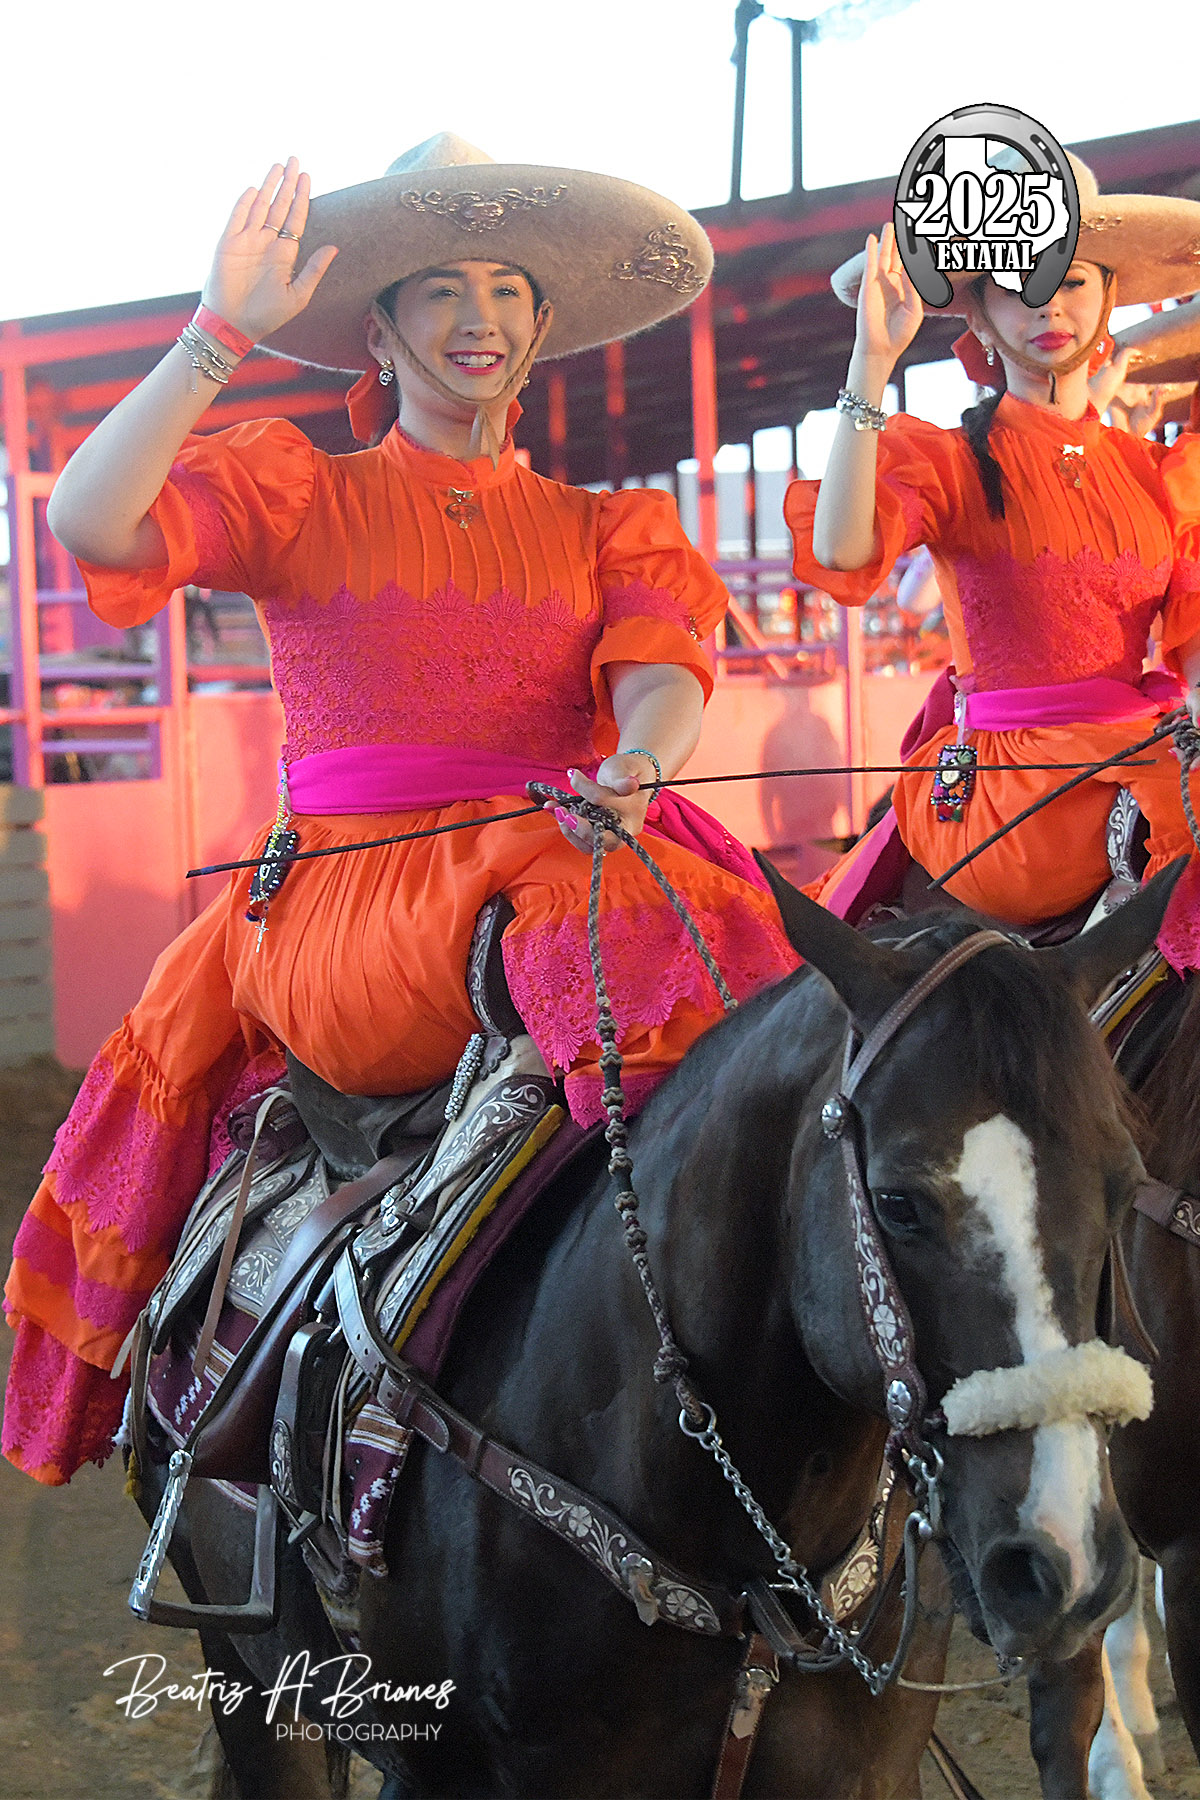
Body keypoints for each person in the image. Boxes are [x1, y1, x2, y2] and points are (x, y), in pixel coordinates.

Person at [3, 137, 796, 1487]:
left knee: (783, 983)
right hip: (349, 908)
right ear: (378, 331)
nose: (477, 316)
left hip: (564, 857)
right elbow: (90, 520)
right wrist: (215, 334)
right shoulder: (297, 489)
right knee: (623, 917)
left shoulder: (604, 528)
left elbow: (662, 676)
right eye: (440, 289)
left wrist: (645, 761)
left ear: (539, 327)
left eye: (506, 289)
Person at [786, 154, 1200, 940]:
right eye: (1017, 283)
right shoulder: (951, 461)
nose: (1049, 302)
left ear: (1108, 297)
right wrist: (871, 364)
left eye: (1071, 279)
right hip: (1010, 795)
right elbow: (839, 552)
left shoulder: (1159, 473)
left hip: (1143, 752)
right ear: (977, 315)